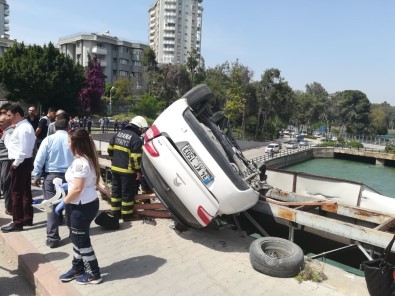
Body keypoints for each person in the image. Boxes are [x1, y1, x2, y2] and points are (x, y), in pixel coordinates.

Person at [59, 128, 102, 284]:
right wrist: (66, 187)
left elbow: (78, 188)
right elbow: (77, 184)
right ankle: (77, 268)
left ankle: (94, 274)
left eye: (69, 141)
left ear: (75, 144)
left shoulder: (80, 162)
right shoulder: (84, 159)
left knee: (81, 240)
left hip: (82, 206)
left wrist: (63, 202)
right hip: (80, 203)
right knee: (76, 238)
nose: (67, 143)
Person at [32, 113, 74, 248]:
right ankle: (73, 234)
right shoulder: (72, 140)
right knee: (70, 206)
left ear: (54, 128)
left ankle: (52, 238)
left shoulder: (48, 140)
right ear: (68, 128)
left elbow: (39, 159)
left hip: (51, 177)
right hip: (69, 177)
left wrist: (36, 175)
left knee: (51, 207)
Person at [1, 104, 36, 232]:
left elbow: (24, 149)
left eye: (10, 115)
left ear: (17, 115)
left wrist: (15, 164)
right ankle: (26, 218)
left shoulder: (24, 128)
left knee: (16, 193)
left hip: (20, 162)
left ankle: (18, 222)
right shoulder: (22, 127)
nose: (8, 118)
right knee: (25, 191)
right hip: (23, 161)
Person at [107, 116, 147, 221]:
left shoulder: (117, 134)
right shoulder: (136, 139)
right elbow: (135, 159)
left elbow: (110, 150)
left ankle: (115, 213)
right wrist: (138, 171)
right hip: (127, 171)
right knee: (127, 194)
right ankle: (127, 215)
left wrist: (114, 160)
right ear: (139, 128)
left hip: (115, 169)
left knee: (116, 192)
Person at [0, 109, 15, 216]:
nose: (0, 124)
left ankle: (9, 207)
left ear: (8, 122)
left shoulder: (9, 132)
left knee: (6, 184)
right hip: (4, 160)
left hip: (7, 160)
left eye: (1, 122)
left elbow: (11, 149)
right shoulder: (7, 131)